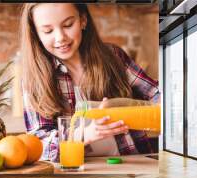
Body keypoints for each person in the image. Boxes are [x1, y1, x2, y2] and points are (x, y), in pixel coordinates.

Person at [19, 3, 160, 162]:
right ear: (36, 34)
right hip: (75, 172)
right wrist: (84, 134)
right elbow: (38, 143)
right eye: (48, 31)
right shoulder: (35, 78)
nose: (60, 37)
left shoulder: (113, 56)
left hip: (131, 163)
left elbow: (156, 93)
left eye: (68, 25)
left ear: (83, 20)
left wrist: (138, 111)